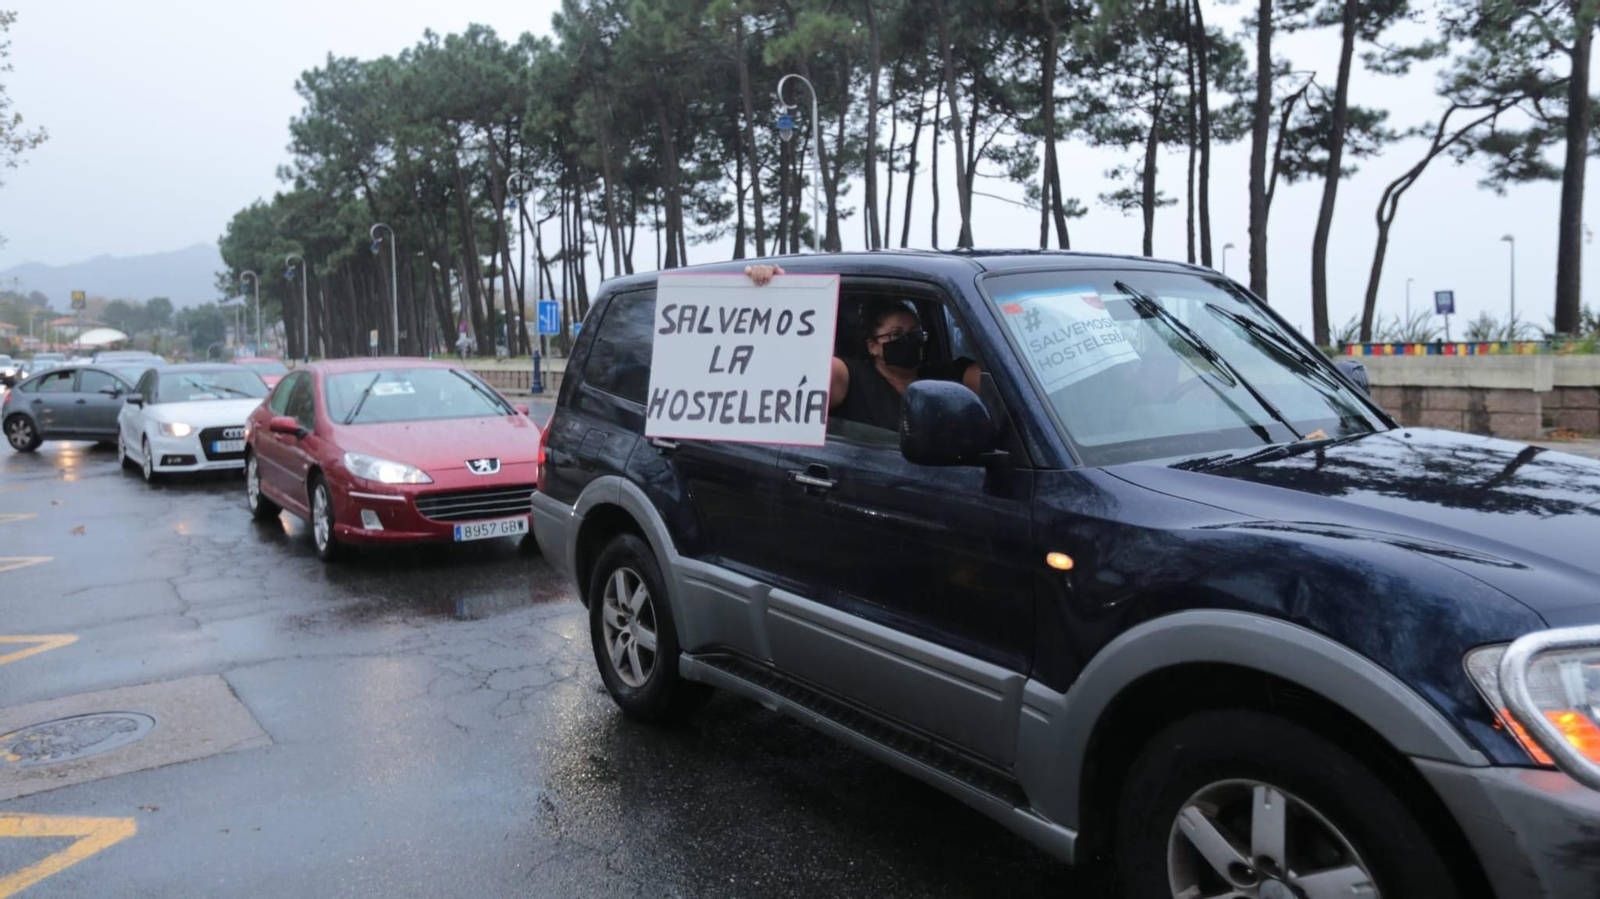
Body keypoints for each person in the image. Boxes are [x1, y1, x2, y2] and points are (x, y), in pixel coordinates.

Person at [745, 264, 981, 431]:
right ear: (872, 346)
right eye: (896, 334)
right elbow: (797, 369)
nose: (908, 340)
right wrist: (777, 295)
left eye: (915, 333)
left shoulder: (941, 377)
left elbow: (991, 378)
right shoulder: (850, 377)